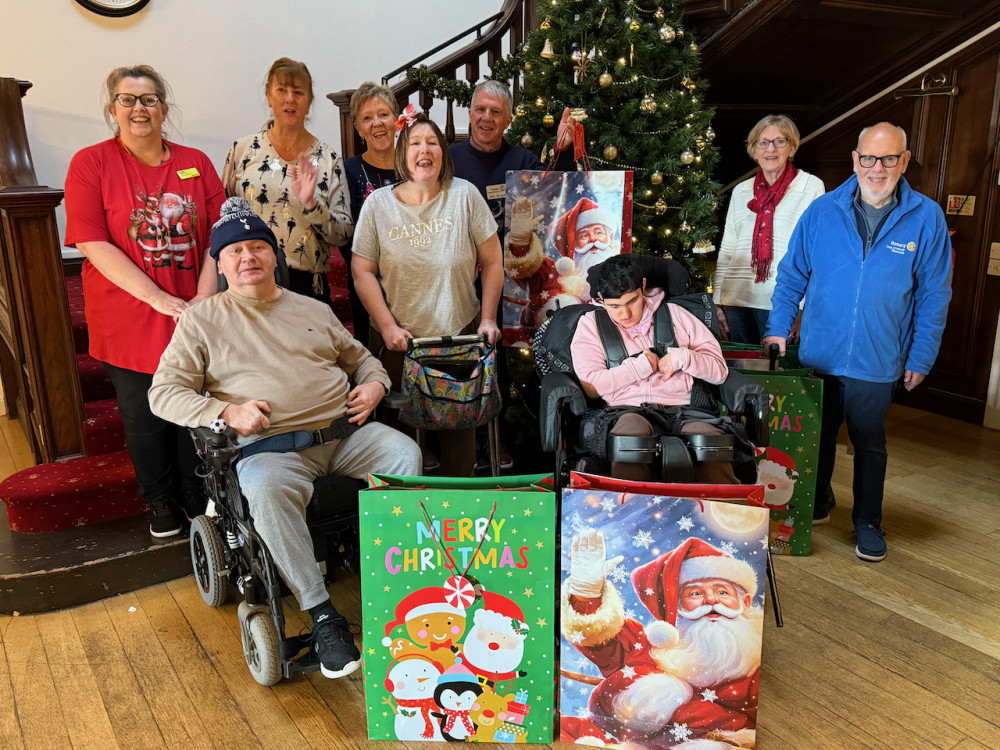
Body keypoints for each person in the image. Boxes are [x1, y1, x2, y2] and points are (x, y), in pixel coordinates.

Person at [148, 197, 421, 679]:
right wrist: (225, 411)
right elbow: (163, 394)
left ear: (274, 255)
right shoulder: (201, 322)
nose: (247, 257)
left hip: (345, 434)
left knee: (403, 453)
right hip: (270, 449)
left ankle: (401, 588)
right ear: (220, 264)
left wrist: (376, 384)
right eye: (234, 251)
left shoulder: (312, 308)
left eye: (257, 246)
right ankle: (322, 615)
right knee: (266, 489)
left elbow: (361, 359)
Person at [763, 122, 952, 563]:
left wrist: (922, 355)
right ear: (855, 160)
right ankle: (819, 502)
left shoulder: (926, 218)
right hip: (820, 354)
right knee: (818, 437)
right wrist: (777, 328)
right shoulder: (822, 211)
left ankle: (867, 521)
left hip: (878, 358)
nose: (877, 168)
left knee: (869, 443)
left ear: (904, 161)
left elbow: (934, 295)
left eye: (888, 158)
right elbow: (791, 277)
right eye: (868, 157)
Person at [63, 64, 224, 538]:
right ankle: (158, 501)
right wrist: (157, 298)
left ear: (163, 108)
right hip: (128, 316)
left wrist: (204, 296)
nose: (139, 108)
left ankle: (194, 496)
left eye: (149, 99)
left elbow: (220, 234)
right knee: (144, 415)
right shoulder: (91, 163)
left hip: (192, 312)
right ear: (112, 108)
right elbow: (92, 242)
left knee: (194, 408)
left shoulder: (196, 162)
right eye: (128, 99)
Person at [352, 111, 503, 477]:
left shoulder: (464, 195)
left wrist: (487, 319)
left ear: (443, 153)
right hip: (397, 343)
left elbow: (493, 261)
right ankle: (406, 511)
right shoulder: (378, 205)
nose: (424, 150)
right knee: (397, 450)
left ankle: (459, 508)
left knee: (459, 452)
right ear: (402, 154)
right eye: (416, 143)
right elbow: (362, 271)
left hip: (458, 340)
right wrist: (387, 326)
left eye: (432, 142)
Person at [562, 531, 762, 749]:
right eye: (695, 594)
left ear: (745, 602)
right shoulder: (658, 645)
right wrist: (586, 595)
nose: (711, 599)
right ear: (679, 605)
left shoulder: (754, 658)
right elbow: (605, 639)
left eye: (723, 592)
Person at [570, 254, 737, 484]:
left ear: (643, 286)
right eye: (614, 306)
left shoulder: (677, 315)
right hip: (626, 410)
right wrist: (639, 368)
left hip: (685, 409)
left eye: (632, 301)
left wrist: (684, 357)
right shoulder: (590, 325)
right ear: (600, 298)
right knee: (630, 437)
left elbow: (719, 371)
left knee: (709, 443)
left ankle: (725, 503)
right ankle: (630, 504)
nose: (625, 314)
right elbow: (592, 387)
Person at [222, 57, 352, 305]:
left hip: (306, 289)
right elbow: (222, 216)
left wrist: (312, 205)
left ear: (309, 103)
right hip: (246, 282)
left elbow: (343, 235)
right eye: (282, 90)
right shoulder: (243, 150)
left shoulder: (328, 158)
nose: (290, 99)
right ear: (269, 97)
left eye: (298, 92)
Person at [714, 114, 824, 344]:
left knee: (778, 367)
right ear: (754, 150)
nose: (770, 149)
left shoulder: (810, 186)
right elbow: (728, 248)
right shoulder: (741, 191)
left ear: (792, 148)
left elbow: (815, 253)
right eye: (762, 142)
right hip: (736, 300)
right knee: (742, 366)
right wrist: (717, 301)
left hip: (783, 303)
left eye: (779, 141)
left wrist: (803, 306)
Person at [342, 81, 399, 345]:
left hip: (414, 286)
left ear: (396, 119)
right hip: (369, 287)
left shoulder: (417, 164)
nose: (377, 123)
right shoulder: (349, 171)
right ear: (358, 128)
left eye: (383, 114)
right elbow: (347, 237)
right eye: (367, 118)